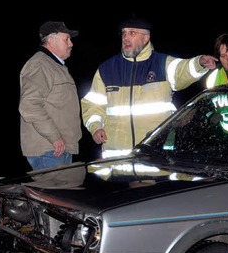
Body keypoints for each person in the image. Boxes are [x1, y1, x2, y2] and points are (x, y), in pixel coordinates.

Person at [81, 16, 218, 159]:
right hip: (117, 161)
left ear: (146, 38)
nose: (126, 38)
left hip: (155, 157)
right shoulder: (107, 69)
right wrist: (96, 127)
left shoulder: (162, 63)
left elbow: (182, 70)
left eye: (132, 33)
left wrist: (200, 62)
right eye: (124, 33)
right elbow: (92, 105)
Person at [19, 21, 82, 171]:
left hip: (59, 149)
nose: (71, 44)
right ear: (51, 40)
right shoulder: (40, 65)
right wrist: (54, 137)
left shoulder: (54, 66)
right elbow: (29, 105)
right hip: (50, 150)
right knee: (55, 193)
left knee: (62, 193)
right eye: (66, 39)